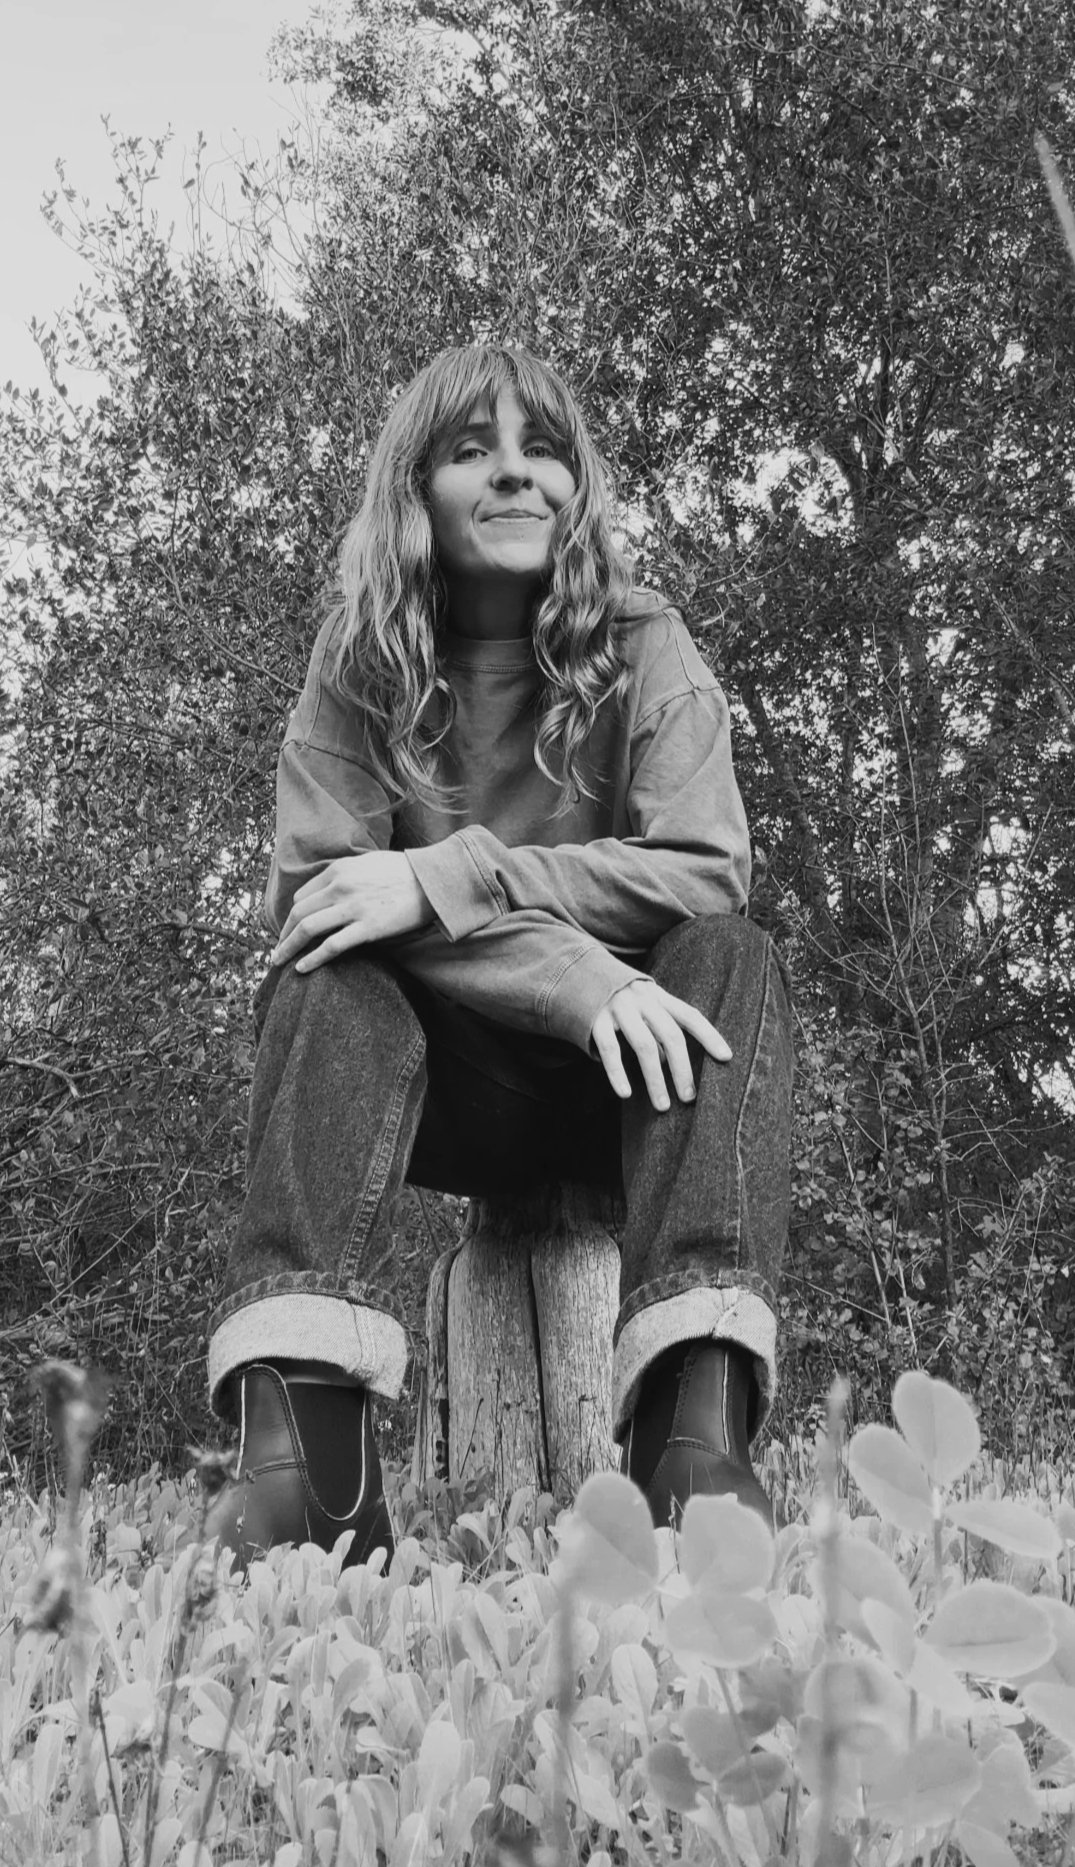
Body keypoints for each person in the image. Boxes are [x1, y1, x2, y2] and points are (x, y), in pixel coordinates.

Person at [200, 344, 794, 1571]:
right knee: (323, 975)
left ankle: (694, 1442)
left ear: (577, 491)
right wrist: (572, 972)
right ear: (414, 489)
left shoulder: (645, 642)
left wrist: (448, 875)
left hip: (634, 1089)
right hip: (444, 1090)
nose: (518, 476)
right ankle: (305, 1458)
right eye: (475, 448)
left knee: (731, 954)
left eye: (546, 453)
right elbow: (317, 901)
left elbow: (703, 865)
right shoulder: (358, 665)